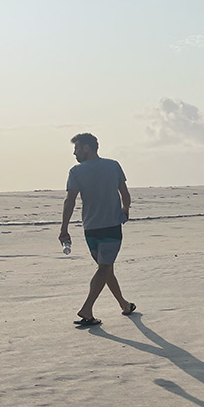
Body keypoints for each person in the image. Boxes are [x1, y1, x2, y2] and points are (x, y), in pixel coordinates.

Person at [59, 133, 135, 326]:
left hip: (90, 228)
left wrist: (64, 228)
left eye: (76, 148)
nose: (74, 153)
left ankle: (124, 305)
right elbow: (125, 194)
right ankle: (87, 309)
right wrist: (125, 210)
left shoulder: (76, 172)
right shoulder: (113, 165)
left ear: (87, 147)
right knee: (105, 267)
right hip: (110, 226)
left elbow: (70, 201)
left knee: (105, 268)